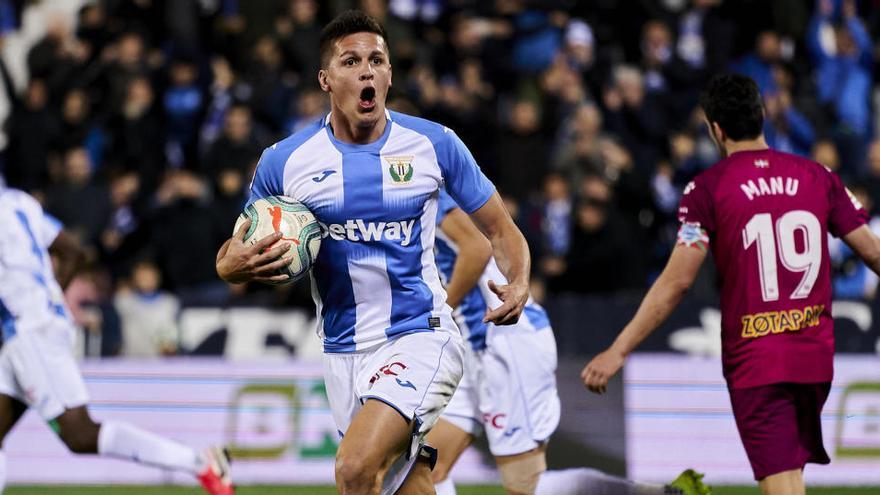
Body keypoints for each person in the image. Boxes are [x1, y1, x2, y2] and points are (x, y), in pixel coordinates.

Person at [214, 10, 530, 495]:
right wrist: (231, 266)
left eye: (377, 60)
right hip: (342, 351)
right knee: (398, 486)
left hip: (420, 334)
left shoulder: (433, 144)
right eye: (351, 61)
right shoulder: (285, 161)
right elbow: (233, 252)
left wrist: (519, 280)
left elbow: (502, 233)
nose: (367, 70)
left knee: (354, 469)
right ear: (326, 79)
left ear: (388, 75)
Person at [582, 74, 880, 495]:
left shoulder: (706, 190)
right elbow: (871, 251)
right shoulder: (819, 176)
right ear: (761, 117)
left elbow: (677, 282)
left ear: (715, 129)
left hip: (760, 357)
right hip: (814, 355)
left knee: (779, 480)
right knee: (790, 476)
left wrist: (619, 348)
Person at [427, 189, 710, 495]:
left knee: (526, 487)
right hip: (475, 349)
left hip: (506, 342)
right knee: (425, 466)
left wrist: (441, 309)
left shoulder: (422, 187)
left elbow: (477, 249)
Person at [0, 179, 233, 495]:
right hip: (39, 324)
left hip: (28, 331)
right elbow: (71, 251)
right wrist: (50, 299)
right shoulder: (18, 202)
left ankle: (200, 463)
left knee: (79, 434)